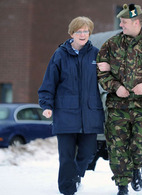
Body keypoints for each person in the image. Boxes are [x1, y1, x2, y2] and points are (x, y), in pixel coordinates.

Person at [97, 3, 142, 195]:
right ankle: (122, 185)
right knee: (118, 147)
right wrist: (116, 87)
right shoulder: (111, 45)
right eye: (120, 21)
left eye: (124, 21)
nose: (121, 25)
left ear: (137, 22)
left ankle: (136, 168)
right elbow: (101, 73)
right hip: (117, 106)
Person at [38, 16, 105, 195]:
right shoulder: (60, 54)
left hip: (90, 114)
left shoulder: (96, 54)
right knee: (66, 157)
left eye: (86, 31)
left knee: (88, 152)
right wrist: (46, 105)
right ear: (71, 33)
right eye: (79, 31)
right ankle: (67, 190)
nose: (83, 34)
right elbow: (49, 83)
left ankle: (75, 177)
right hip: (65, 114)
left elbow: (108, 81)